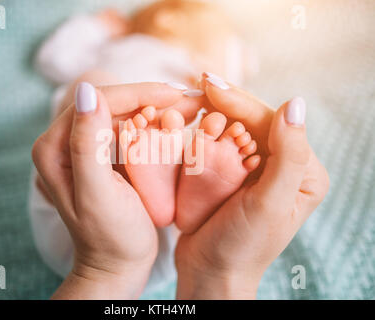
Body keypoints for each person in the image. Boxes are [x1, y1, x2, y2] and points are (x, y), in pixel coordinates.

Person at [31, 80, 329, 299]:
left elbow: (54, 56)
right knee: (187, 138)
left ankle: (129, 173)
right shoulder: (136, 39)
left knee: (89, 92)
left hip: (88, 240)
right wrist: (220, 273)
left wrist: (108, 268)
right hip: (162, 241)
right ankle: (172, 186)